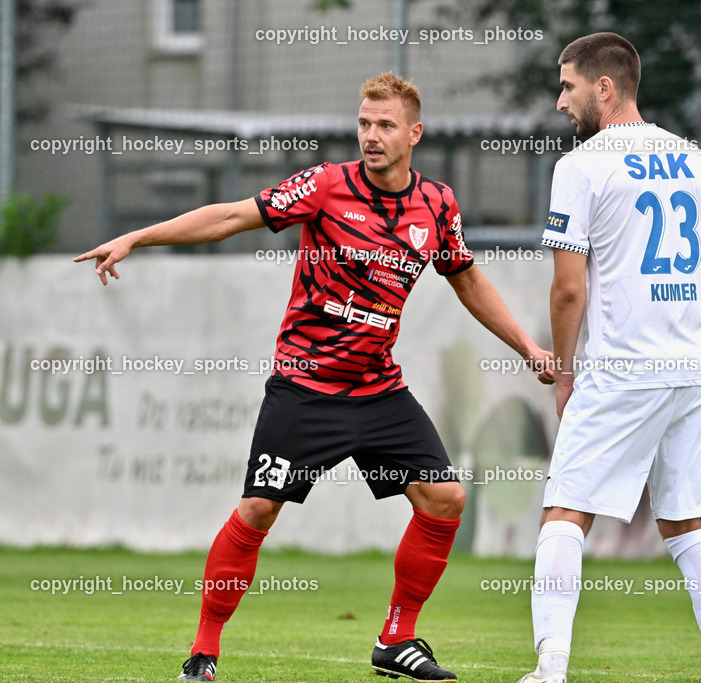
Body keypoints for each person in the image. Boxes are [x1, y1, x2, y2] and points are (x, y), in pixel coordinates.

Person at [75, 72, 554, 682]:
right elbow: (229, 216)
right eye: (364, 123)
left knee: (445, 498)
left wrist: (529, 348)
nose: (371, 136)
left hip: (379, 390)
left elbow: (467, 279)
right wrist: (140, 237)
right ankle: (203, 651)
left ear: (415, 132)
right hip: (306, 388)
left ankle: (396, 638)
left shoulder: (437, 204)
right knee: (257, 511)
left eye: (384, 125)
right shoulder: (326, 185)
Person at [519, 32, 701, 683]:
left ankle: (551, 668)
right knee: (684, 523)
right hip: (690, 370)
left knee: (565, 508)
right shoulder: (696, 160)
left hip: (622, 369)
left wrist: (565, 372)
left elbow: (569, 287)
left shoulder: (582, 166)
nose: (561, 100)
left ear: (605, 87)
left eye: (568, 85)